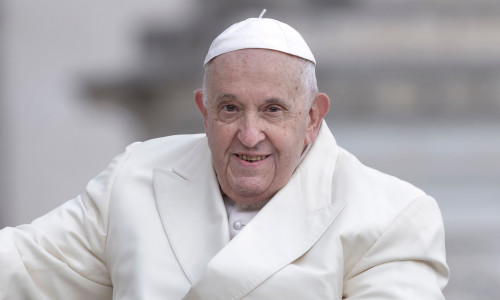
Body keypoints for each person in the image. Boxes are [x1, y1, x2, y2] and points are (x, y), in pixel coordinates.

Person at [0, 12, 449, 300]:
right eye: (230, 108)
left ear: (312, 117)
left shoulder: (391, 216)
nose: (249, 135)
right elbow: (22, 268)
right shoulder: (138, 175)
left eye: (273, 110)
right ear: (203, 111)